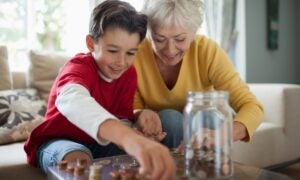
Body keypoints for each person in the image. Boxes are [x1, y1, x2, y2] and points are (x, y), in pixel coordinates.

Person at [24, 1, 175, 179]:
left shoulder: (129, 74)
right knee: (78, 159)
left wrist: (135, 133)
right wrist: (128, 138)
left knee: (139, 159)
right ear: (90, 43)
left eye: (130, 53)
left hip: (98, 142)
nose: (121, 62)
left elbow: (121, 118)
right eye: (112, 50)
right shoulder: (78, 67)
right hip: (58, 141)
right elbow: (73, 100)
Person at [133, 0, 264, 149]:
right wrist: (140, 114)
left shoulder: (207, 51)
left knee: (206, 117)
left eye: (180, 39)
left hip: (204, 127)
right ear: (149, 34)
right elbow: (134, 106)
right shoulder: (136, 53)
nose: (170, 50)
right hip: (165, 129)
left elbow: (252, 106)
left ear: (193, 32)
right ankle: (171, 170)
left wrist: (223, 135)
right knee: (170, 118)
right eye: (160, 39)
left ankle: (203, 170)